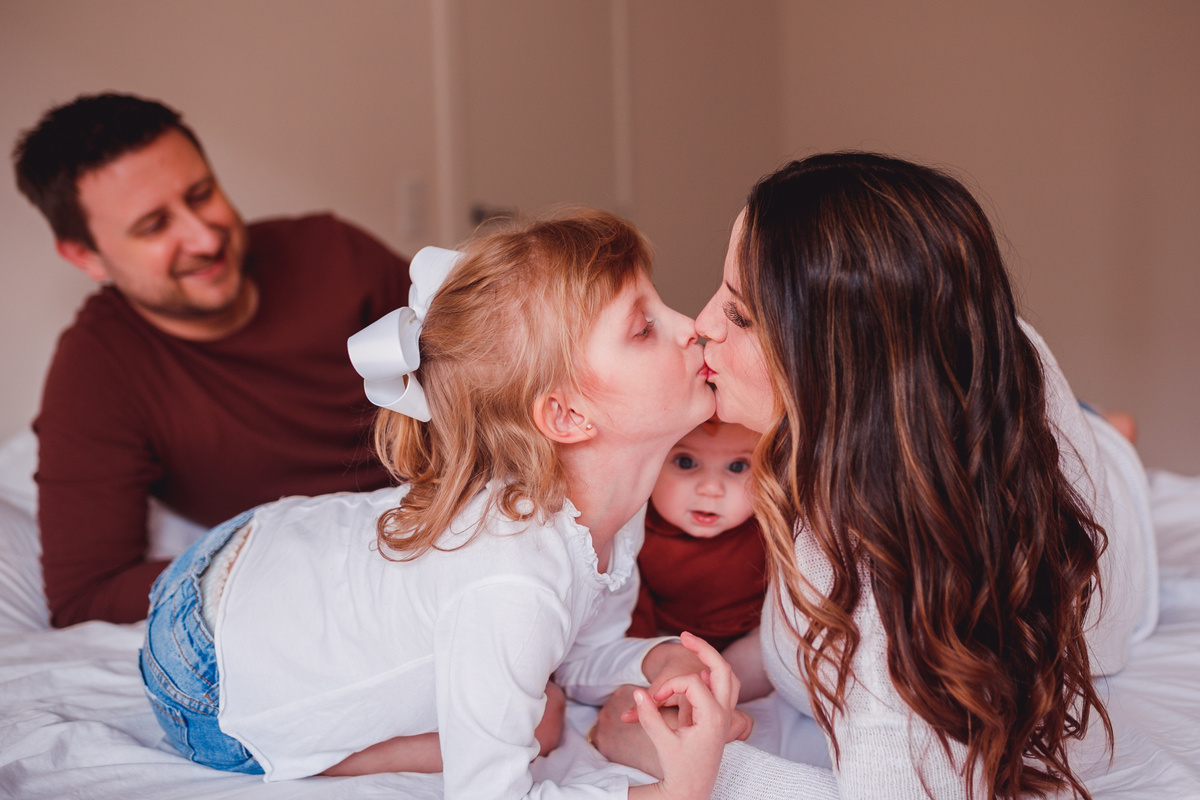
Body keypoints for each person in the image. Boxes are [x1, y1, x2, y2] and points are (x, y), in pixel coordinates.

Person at [595, 153, 1158, 799]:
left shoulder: (908, 593)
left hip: (1114, 510)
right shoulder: (920, 362)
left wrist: (685, 761)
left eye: (742, 315)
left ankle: (1111, 435)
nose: (702, 326)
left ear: (842, 373)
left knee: (1101, 444)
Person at [140, 212, 745, 799]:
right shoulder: (511, 583)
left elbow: (578, 648)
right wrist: (671, 793)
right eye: (644, 329)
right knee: (541, 723)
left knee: (543, 695)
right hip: (204, 667)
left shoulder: (608, 508)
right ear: (566, 416)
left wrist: (663, 660)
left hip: (259, 550)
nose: (691, 323)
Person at [12, 93, 411, 626]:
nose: (203, 238)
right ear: (85, 255)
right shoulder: (99, 371)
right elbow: (87, 594)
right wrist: (292, 561)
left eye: (201, 195)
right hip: (326, 579)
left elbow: (488, 373)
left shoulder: (335, 254)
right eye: (154, 226)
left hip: (462, 508)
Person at [628, 419, 768, 655]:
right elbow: (633, 616)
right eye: (686, 462)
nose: (711, 488)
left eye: (737, 467)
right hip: (667, 640)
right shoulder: (634, 530)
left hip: (754, 635)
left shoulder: (771, 528)